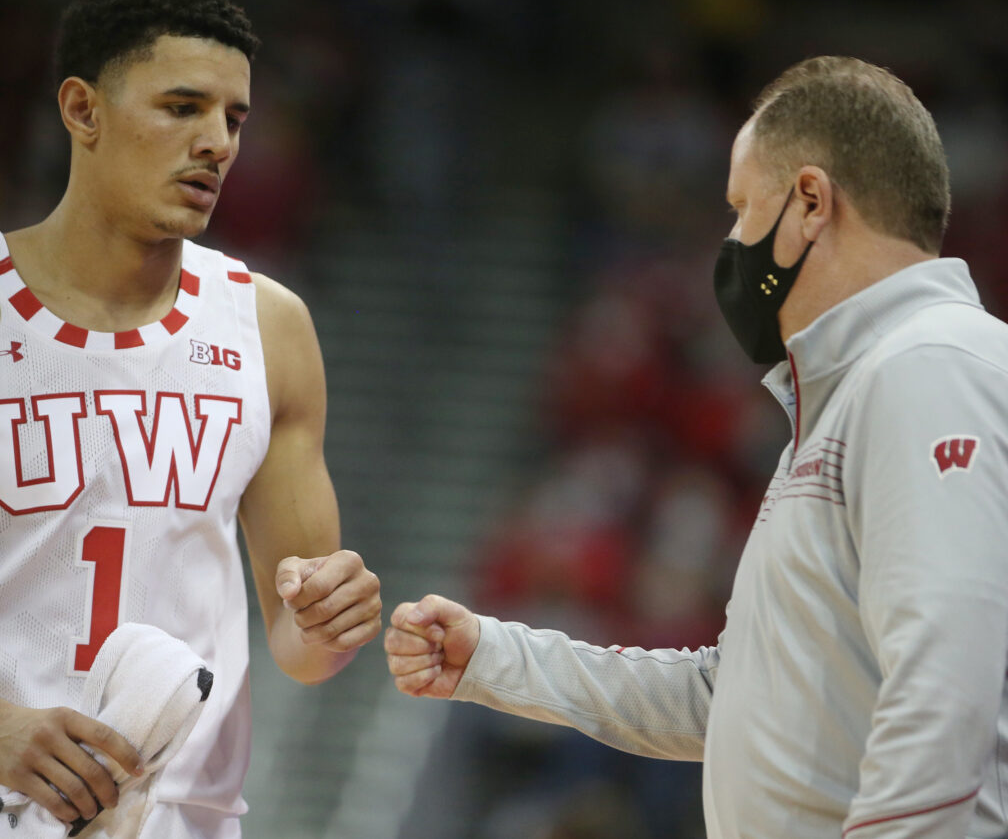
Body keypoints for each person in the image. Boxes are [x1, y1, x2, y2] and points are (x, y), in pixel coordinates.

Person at [0, 0, 382, 839]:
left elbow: (300, 646)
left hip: (178, 813)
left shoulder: (270, 327)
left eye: (234, 118)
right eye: (183, 106)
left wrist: (329, 624)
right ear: (82, 110)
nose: (217, 143)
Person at [385, 56, 1008, 838]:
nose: (732, 241)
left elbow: (945, 685)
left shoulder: (931, 364)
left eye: (744, 208)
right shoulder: (856, 394)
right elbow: (739, 694)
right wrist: (498, 661)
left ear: (811, 202)